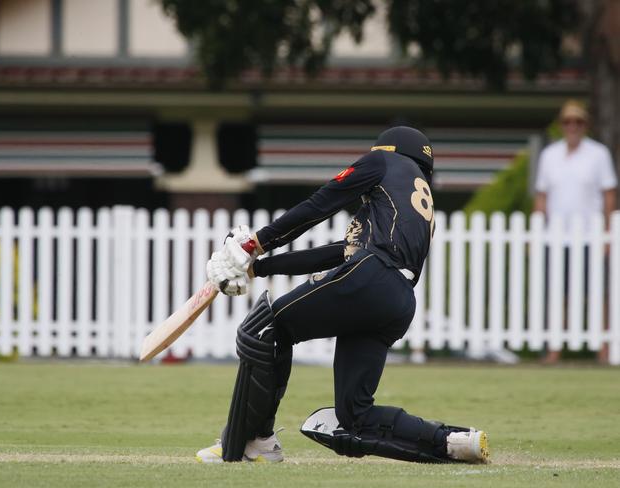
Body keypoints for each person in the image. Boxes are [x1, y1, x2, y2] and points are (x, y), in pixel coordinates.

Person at [197, 127, 489, 464]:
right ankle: (450, 441)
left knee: (269, 327)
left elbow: (320, 204)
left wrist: (254, 244)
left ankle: (253, 442)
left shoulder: (383, 161)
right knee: (355, 417)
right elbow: (339, 253)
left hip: (371, 277)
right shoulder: (416, 205)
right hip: (398, 301)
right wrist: (257, 268)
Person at [534, 100, 617, 363]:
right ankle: (555, 348)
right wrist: (539, 229)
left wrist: (607, 233)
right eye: (568, 122)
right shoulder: (549, 155)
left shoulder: (598, 154)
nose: (573, 127)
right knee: (557, 293)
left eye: (578, 122)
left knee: (598, 293)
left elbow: (609, 195)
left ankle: (602, 349)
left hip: (590, 236)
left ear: (585, 125)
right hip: (557, 238)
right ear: (562, 125)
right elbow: (542, 196)